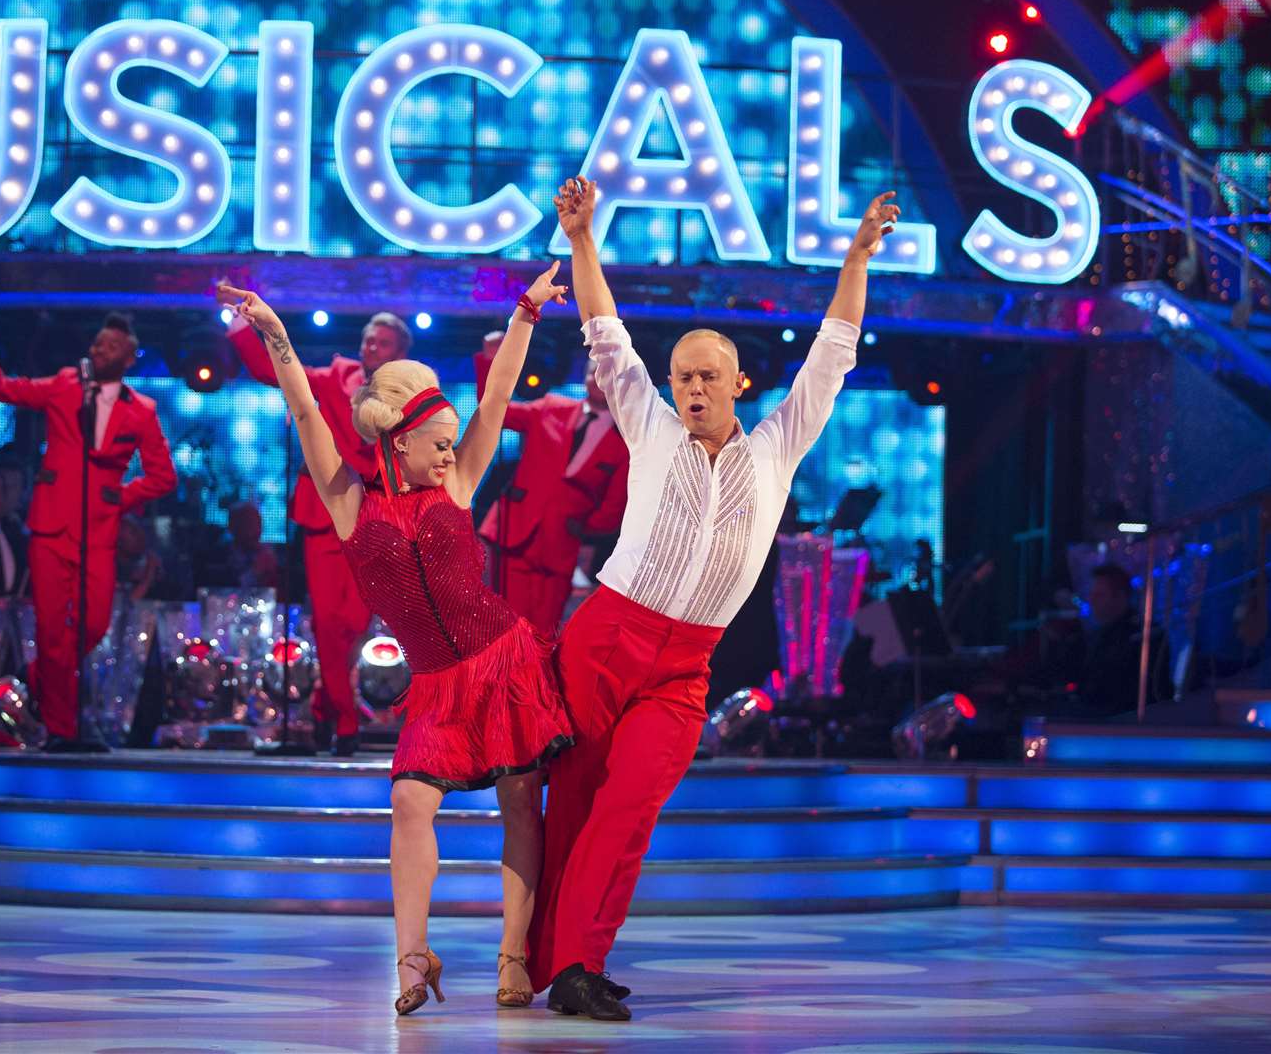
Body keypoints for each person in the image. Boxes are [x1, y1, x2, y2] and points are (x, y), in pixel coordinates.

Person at [526, 177, 895, 1019]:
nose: (690, 388)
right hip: (608, 634)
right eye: (682, 376)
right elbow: (605, 335)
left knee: (634, 803)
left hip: (685, 662)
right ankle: (563, 964)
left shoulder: (775, 449)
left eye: (706, 377)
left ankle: (579, 958)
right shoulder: (648, 425)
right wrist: (582, 241)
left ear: (737, 385)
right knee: (578, 800)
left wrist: (857, 256)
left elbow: (833, 351)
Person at [217, 266, 573, 1018]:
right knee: (410, 802)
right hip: (437, 684)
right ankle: (414, 959)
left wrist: (527, 311)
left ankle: (515, 955)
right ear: (399, 442)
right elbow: (308, 414)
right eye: (437, 443)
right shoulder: (349, 502)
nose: (451, 453)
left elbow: (500, 393)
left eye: (453, 443)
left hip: (503, 659)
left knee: (519, 800)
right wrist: (274, 333)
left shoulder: (459, 484)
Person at [0, 295, 177, 750]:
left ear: (129, 357)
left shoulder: (141, 411)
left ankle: (39, 677)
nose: (99, 350)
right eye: (97, 343)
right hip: (51, 527)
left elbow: (162, 476)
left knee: (91, 626)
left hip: (98, 532)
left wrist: (119, 498)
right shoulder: (64, 385)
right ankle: (62, 729)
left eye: (110, 346)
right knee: (51, 629)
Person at [226, 308, 410, 755]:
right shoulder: (335, 376)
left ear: (400, 353)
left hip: (375, 517)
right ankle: (345, 723)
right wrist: (239, 326)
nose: (371, 347)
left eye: (382, 342)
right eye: (368, 338)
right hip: (324, 513)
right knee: (329, 623)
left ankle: (326, 705)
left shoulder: (411, 391)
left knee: (354, 623)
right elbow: (274, 371)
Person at [473, 337, 628, 635]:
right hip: (514, 534)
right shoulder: (551, 408)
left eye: (604, 371)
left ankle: (533, 683)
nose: (596, 376)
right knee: (502, 627)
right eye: (592, 369)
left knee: (542, 633)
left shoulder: (624, 443)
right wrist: (492, 360)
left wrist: (576, 526)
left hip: (559, 549)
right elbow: (493, 412)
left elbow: (613, 508)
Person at [1074, 561, 1174, 716]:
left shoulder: (1144, 637)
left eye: (1099, 595)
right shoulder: (1098, 635)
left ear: (1120, 596)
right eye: (1092, 594)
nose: (1092, 601)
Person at [194, 500, 281, 590]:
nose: (256, 530)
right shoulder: (214, 558)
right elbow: (216, 593)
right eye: (249, 523)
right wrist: (254, 573)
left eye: (258, 523)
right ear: (232, 526)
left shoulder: (272, 557)